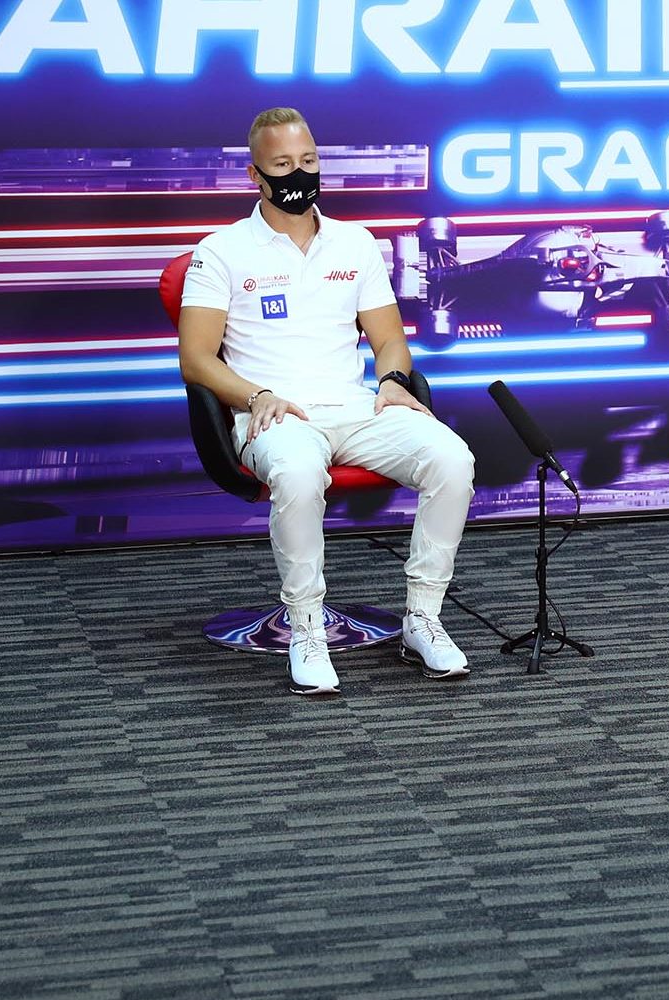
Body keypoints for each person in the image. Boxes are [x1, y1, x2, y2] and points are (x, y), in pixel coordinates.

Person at [178, 107, 475, 695]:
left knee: (453, 459)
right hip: (273, 414)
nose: (299, 173)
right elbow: (197, 359)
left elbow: (389, 337)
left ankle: (423, 617)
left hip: (357, 407)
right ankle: (306, 627)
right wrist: (257, 394)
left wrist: (392, 381)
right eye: (283, 164)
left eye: (309, 161)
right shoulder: (221, 250)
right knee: (297, 469)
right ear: (253, 174)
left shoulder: (355, 243)